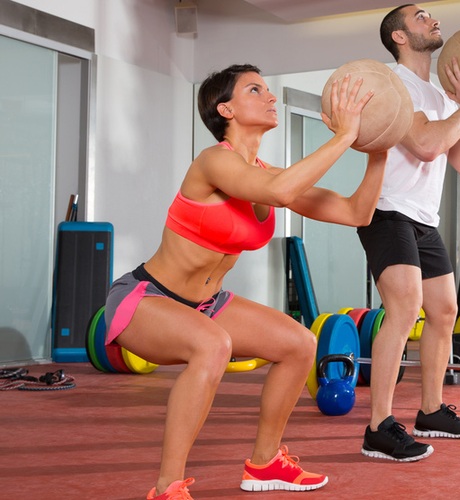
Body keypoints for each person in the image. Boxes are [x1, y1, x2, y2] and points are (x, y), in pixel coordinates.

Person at [104, 64, 385, 499]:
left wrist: (377, 150)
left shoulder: (267, 172)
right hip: (147, 299)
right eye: (256, 90)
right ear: (226, 109)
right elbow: (280, 194)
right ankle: (167, 487)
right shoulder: (215, 160)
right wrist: (343, 137)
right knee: (213, 344)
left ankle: (266, 463)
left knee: (299, 344)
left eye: (270, 91)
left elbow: (356, 213)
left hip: (207, 304)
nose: (271, 98)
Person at [354, 4, 460, 462]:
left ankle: (432, 410)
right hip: (386, 212)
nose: (433, 19)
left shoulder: (439, 98)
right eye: (420, 17)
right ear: (399, 36)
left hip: (423, 218)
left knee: (444, 311)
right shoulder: (391, 82)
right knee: (404, 309)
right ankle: (378, 425)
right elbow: (423, 144)